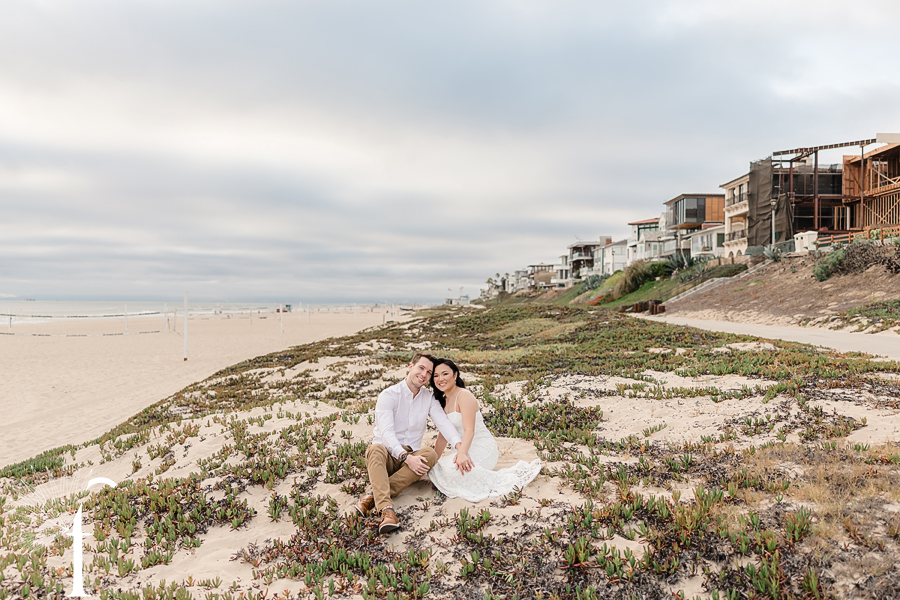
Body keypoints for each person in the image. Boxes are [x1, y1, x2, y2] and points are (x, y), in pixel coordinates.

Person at [354, 353, 470, 534]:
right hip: (386, 456)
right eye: (421, 368)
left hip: (411, 459)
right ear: (410, 367)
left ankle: (372, 497)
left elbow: (444, 424)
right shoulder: (389, 395)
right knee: (375, 448)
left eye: (429, 372)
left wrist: (460, 448)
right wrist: (406, 457)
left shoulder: (429, 398)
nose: (424, 375)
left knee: (430, 454)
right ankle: (387, 510)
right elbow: (386, 433)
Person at [428, 358, 542, 502]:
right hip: (459, 450)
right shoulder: (442, 400)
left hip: (480, 446)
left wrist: (463, 453)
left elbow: (469, 430)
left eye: (445, 374)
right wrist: (433, 460)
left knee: (456, 471)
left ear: (455, 375)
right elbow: (443, 436)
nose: (440, 379)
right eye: (436, 376)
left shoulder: (464, 395)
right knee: (437, 469)